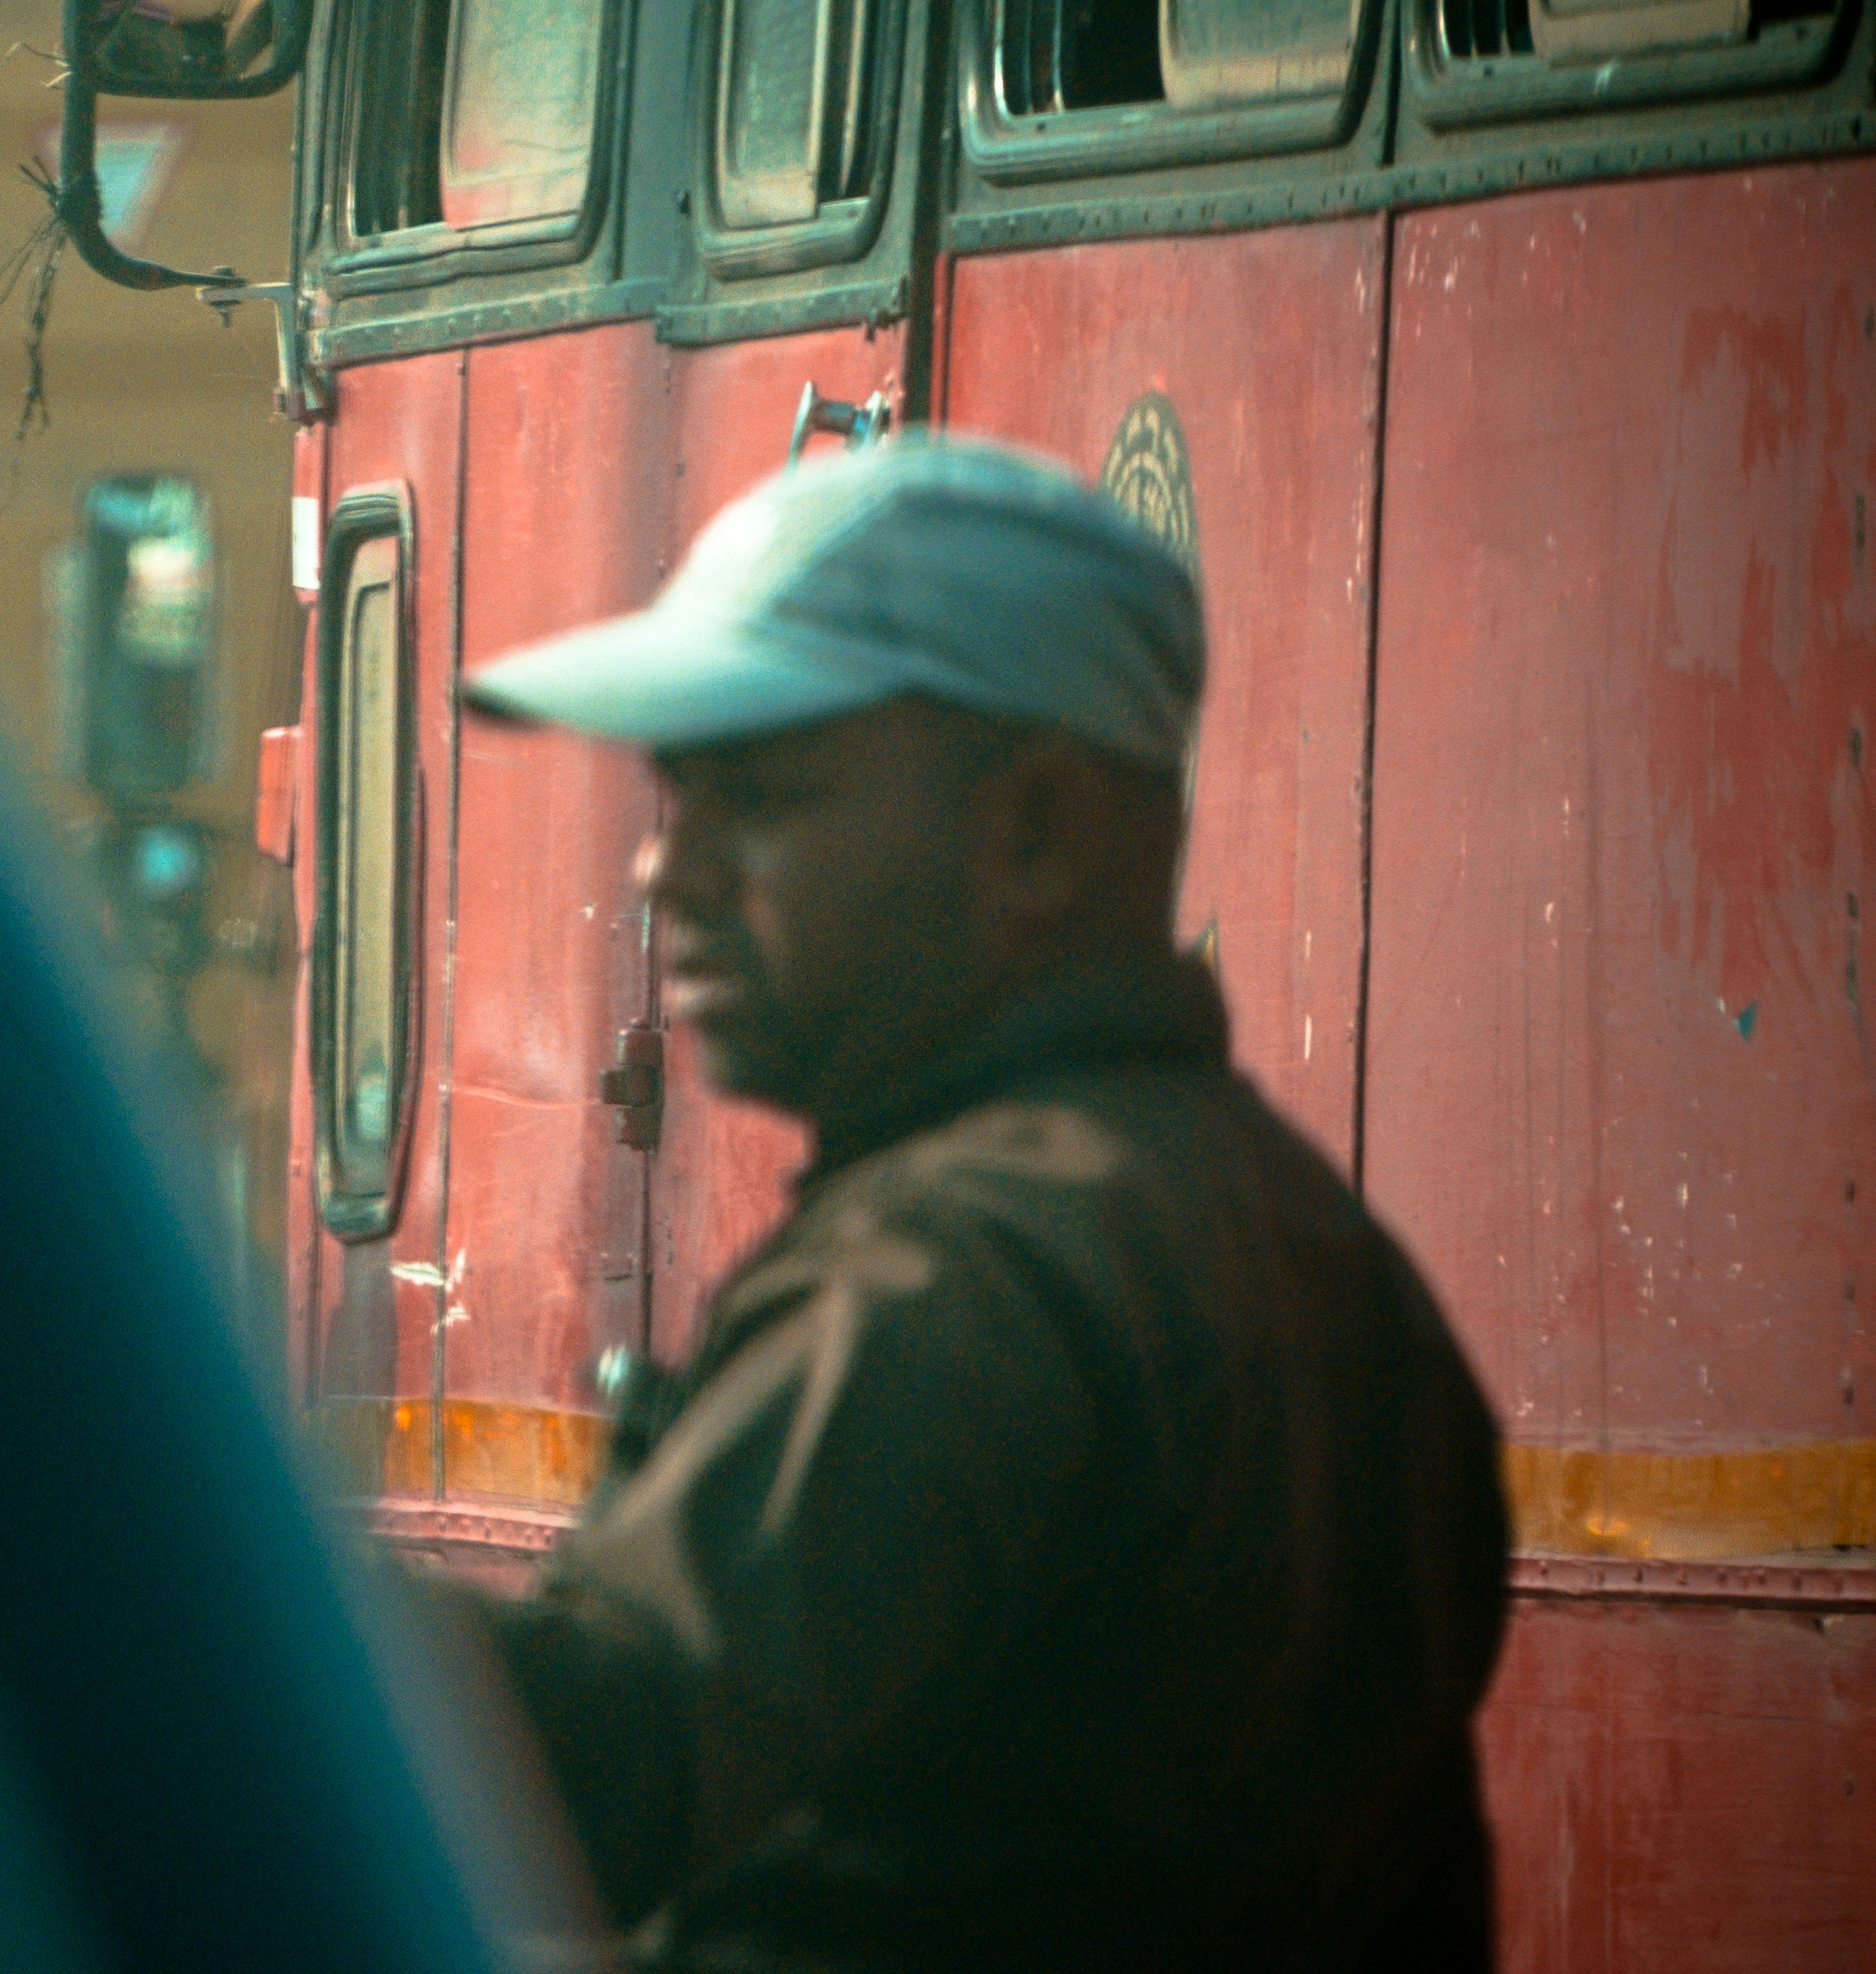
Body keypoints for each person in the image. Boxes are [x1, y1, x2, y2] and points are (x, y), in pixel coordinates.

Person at [443, 437, 1513, 1972]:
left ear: (1035, 831)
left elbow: (611, 1763)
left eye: (761, 798)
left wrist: (191, 1547)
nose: (666, 872)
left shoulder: (961, 1266)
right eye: (676, 801)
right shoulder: (1313, 1251)